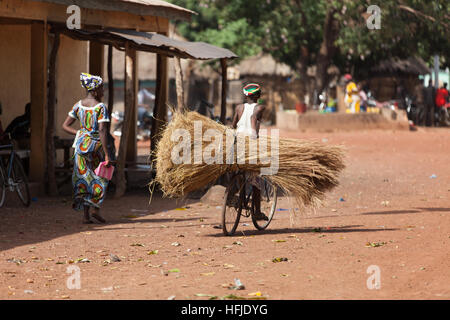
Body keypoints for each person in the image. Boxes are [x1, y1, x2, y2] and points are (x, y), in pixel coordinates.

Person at [62, 73, 113, 224]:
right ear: (95, 90)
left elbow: (64, 126)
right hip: (96, 147)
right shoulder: (100, 107)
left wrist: (80, 132)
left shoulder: (78, 105)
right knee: (101, 177)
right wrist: (107, 154)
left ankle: (85, 216)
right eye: (102, 88)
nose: (103, 91)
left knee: (84, 179)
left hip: (80, 146)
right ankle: (95, 209)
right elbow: (103, 131)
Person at [231, 83, 267, 221]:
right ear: (258, 96)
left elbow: (233, 125)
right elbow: (254, 120)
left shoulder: (239, 107)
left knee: (236, 169)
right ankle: (257, 211)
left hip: (238, 142)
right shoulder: (260, 107)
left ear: (245, 96)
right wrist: (254, 135)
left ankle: (235, 194)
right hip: (250, 144)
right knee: (256, 179)